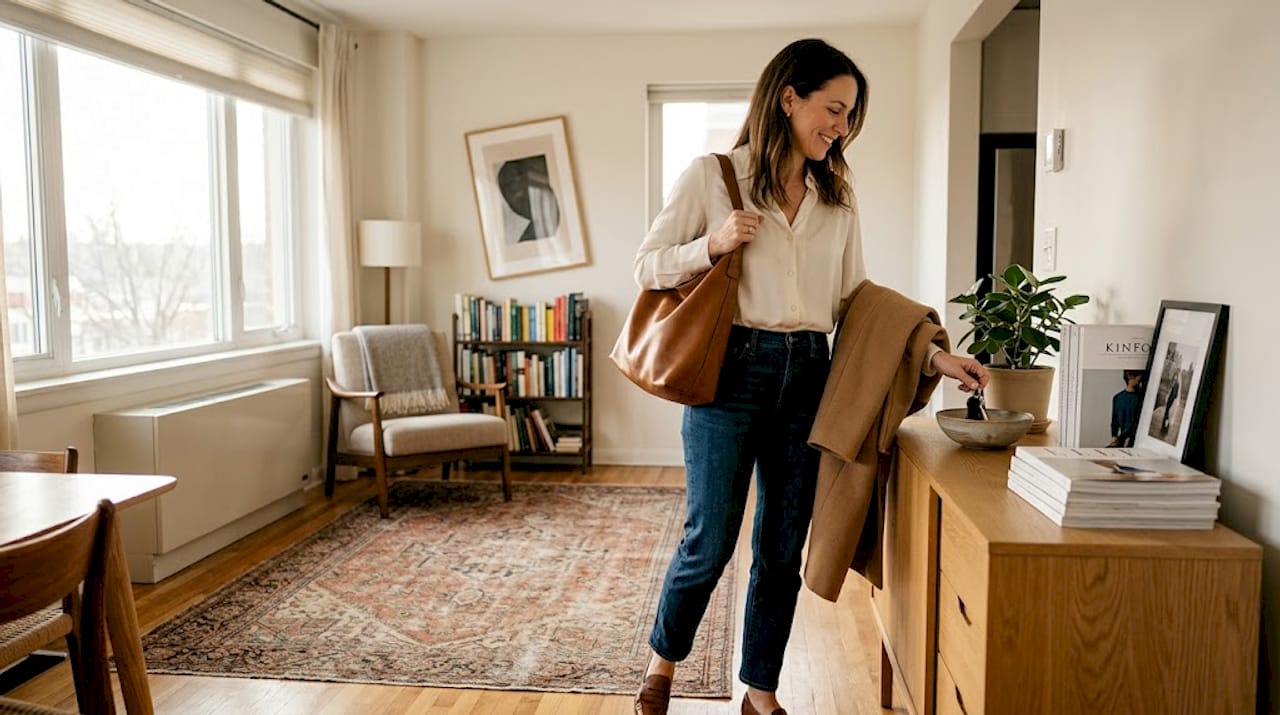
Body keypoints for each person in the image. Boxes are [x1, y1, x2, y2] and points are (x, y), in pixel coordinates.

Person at [628, 39, 989, 715]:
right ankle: (661, 666)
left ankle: (759, 690)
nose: (841, 127)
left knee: (781, 545)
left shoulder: (837, 200)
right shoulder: (714, 175)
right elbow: (646, 266)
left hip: (808, 377)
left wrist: (936, 354)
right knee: (709, 539)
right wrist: (711, 243)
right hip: (728, 374)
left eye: (850, 116)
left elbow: (859, 304)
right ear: (788, 97)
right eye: (833, 109)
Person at [1108, 369, 1144, 447]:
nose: (1141, 378)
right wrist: (1114, 436)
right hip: (1121, 440)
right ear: (1129, 376)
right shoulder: (1117, 398)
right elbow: (1114, 422)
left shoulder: (1142, 399)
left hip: (1136, 441)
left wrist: (1130, 438)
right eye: (1139, 375)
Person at [1161, 370, 1181, 434]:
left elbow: (1175, 394)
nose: (1175, 377)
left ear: (1177, 376)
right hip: (1170, 398)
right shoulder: (1173, 382)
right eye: (1175, 375)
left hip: (1171, 399)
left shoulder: (1177, 384)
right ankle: (1165, 423)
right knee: (1167, 410)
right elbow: (1170, 390)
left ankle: (1166, 423)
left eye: (1176, 376)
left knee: (1168, 410)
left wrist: (1172, 398)